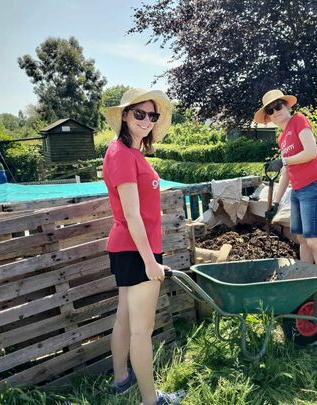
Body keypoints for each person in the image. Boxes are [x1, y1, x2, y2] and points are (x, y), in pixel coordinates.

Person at [103, 88, 185, 405]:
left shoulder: (130, 152)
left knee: (125, 318)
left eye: (153, 115)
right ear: (125, 115)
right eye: (140, 114)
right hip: (137, 250)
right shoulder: (122, 154)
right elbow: (132, 215)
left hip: (130, 248)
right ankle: (151, 401)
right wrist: (150, 262)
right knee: (142, 330)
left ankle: (121, 379)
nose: (147, 120)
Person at [254, 89, 317, 314]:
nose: (276, 112)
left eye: (279, 106)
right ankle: (308, 288)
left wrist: (283, 160)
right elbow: (287, 172)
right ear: (269, 117)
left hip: (313, 187)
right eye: (270, 111)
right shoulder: (282, 137)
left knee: (314, 242)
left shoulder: (299, 121)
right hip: (298, 190)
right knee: (301, 239)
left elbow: (311, 152)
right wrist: (276, 202)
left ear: (287, 106)